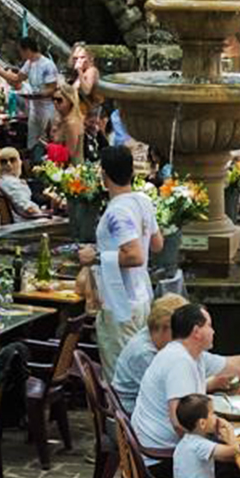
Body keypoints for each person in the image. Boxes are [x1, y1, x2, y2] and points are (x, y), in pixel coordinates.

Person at [129, 304, 240, 457]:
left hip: (169, 448)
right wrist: (223, 434)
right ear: (196, 332)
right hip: (164, 456)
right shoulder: (180, 362)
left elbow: (238, 365)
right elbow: (179, 422)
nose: (214, 331)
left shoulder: (191, 354)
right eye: (210, 325)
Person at [81, 145, 163, 376]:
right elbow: (157, 244)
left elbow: (135, 255)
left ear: (104, 175)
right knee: (140, 368)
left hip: (120, 304)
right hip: (143, 297)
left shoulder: (117, 212)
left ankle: (118, 413)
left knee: (120, 373)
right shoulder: (143, 201)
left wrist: (95, 255)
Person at [112, 295, 192, 416]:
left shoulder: (152, 334)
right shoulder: (144, 353)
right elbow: (171, 395)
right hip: (130, 415)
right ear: (164, 328)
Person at [0, 38, 61, 150]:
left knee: (47, 142)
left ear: (27, 50)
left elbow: (52, 89)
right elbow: (16, 79)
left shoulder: (47, 65)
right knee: (32, 144)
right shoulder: (29, 63)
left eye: (20, 51)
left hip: (47, 110)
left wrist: (37, 94)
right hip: (34, 109)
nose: (19, 54)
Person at [0, 147, 46, 218]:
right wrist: (43, 212)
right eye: (4, 161)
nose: (9, 164)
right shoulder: (11, 183)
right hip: (24, 222)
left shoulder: (2, 180)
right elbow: (27, 208)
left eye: (12, 160)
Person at [46, 82, 87, 165]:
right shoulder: (59, 119)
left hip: (70, 172)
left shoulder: (71, 123)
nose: (55, 103)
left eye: (59, 100)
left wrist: (48, 147)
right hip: (58, 168)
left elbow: (68, 154)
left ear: (70, 101)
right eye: (53, 99)